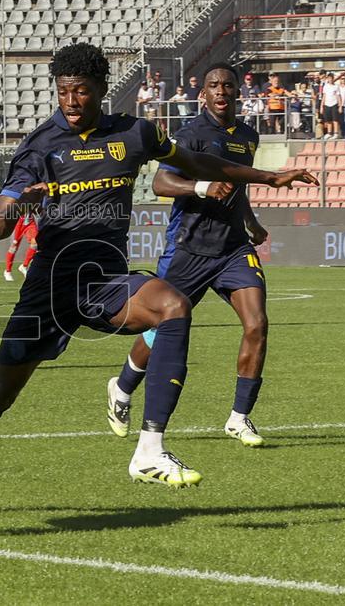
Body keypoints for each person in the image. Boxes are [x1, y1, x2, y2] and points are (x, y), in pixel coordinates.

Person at [0, 44, 317, 513]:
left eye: (81, 91)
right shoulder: (41, 144)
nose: (71, 101)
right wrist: (23, 201)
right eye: (63, 91)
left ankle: (149, 449)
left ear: (102, 91)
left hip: (105, 281)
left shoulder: (135, 133)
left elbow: (196, 164)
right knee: (3, 391)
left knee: (173, 306)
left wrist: (267, 177)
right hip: (49, 286)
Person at [109, 63, 273, 450]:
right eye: (214, 85)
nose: (221, 91)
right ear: (204, 94)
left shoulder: (248, 135)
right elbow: (161, 182)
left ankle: (239, 417)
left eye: (227, 85)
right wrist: (201, 186)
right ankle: (123, 385)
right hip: (189, 248)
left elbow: (240, 184)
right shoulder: (189, 135)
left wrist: (250, 221)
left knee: (257, 323)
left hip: (233, 248)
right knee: (161, 328)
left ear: (236, 92)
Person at [2, 210, 38, 282]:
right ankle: (7, 271)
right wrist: (15, 238)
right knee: (13, 248)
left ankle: (24, 266)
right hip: (18, 224)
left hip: (30, 223)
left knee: (35, 244)